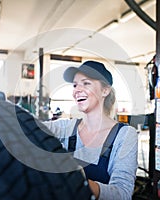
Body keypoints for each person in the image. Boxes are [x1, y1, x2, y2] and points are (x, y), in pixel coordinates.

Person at [43, 60, 138, 199]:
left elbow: (122, 194)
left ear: (105, 90)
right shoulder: (66, 128)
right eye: (75, 85)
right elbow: (31, 128)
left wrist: (79, 182)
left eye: (86, 83)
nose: (77, 90)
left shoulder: (124, 135)